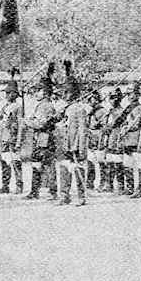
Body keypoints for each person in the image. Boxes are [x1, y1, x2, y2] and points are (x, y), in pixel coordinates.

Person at [23, 63, 58, 200]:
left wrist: (27, 122)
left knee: (47, 165)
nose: (36, 93)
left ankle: (52, 191)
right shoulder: (43, 105)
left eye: (38, 90)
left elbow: (41, 123)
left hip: (45, 138)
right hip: (40, 139)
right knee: (37, 164)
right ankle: (35, 190)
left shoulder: (46, 106)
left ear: (45, 92)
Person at [56, 71, 88, 206]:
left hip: (75, 144)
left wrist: (81, 148)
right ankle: (64, 196)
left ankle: (82, 196)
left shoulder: (80, 109)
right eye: (64, 92)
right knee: (64, 169)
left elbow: (82, 130)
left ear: (74, 93)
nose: (64, 95)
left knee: (78, 169)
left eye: (67, 92)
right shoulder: (64, 108)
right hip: (64, 144)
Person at [0, 69, 24, 194]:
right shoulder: (4, 105)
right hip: (4, 137)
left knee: (15, 161)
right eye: (6, 93)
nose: (6, 95)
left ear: (14, 94)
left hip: (12, 137)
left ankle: (19, 185)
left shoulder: (18, 107)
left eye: (9, 93)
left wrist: (18, 141)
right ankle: (5, 185)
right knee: (4, 162)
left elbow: (21, 124)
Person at [86, 89, 108, 191]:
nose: (90, 101)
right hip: (91, 138)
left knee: (101, 162)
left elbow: (104, 127)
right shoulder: (91, 111)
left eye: (92, 99)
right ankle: (90, 183)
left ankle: (103, 183)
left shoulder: (102, 111)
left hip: (99, 138)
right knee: (90, 162)